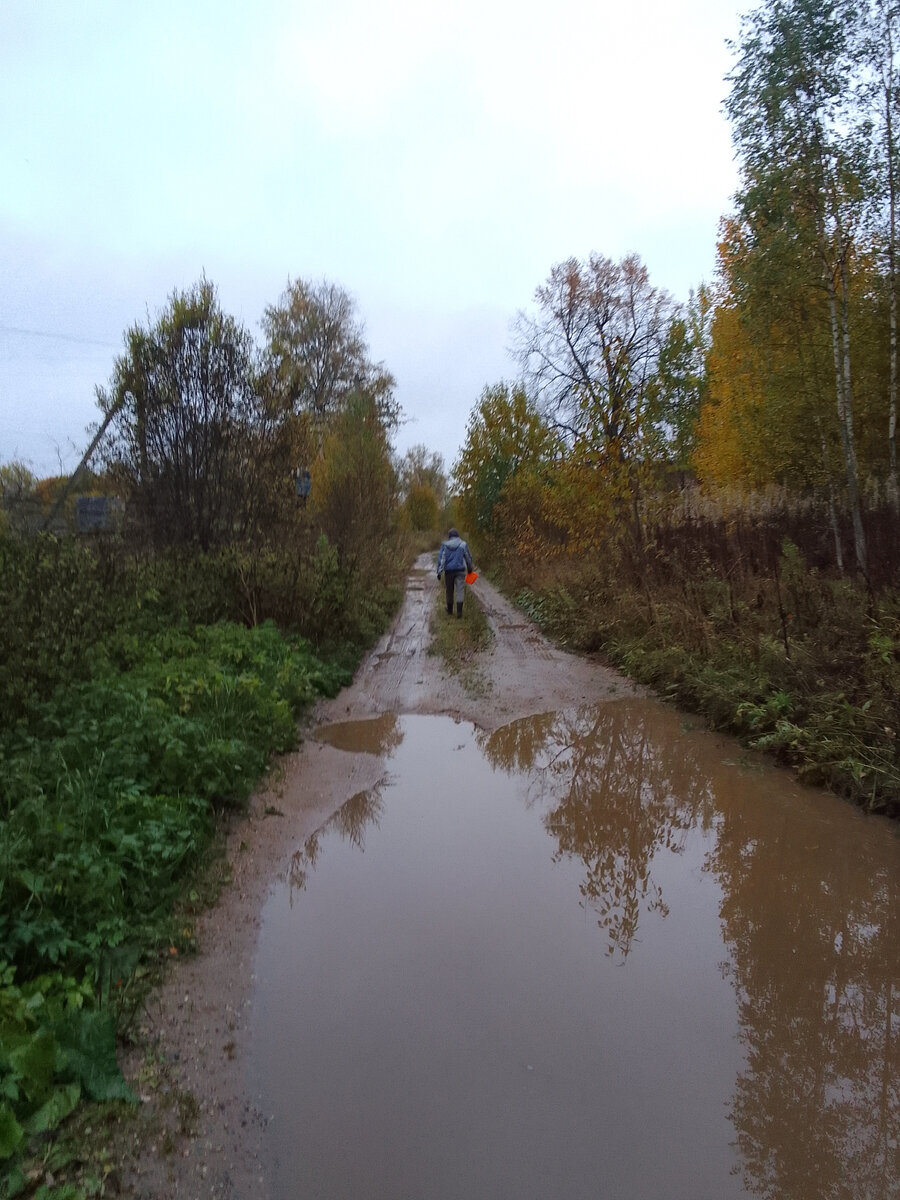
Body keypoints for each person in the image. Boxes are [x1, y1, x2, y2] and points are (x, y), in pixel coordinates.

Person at [436, 527, 474, 618]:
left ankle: (449, 611)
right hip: (460, 571)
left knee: (449, 591)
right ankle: (459, 613)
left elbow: (442, 559)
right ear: (458, 536)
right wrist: (470, 569)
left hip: (449, 572)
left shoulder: (445, 545)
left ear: (449, 536)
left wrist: (439, 572)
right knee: (460, 590)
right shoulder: (463, 544)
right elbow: (468, 558)